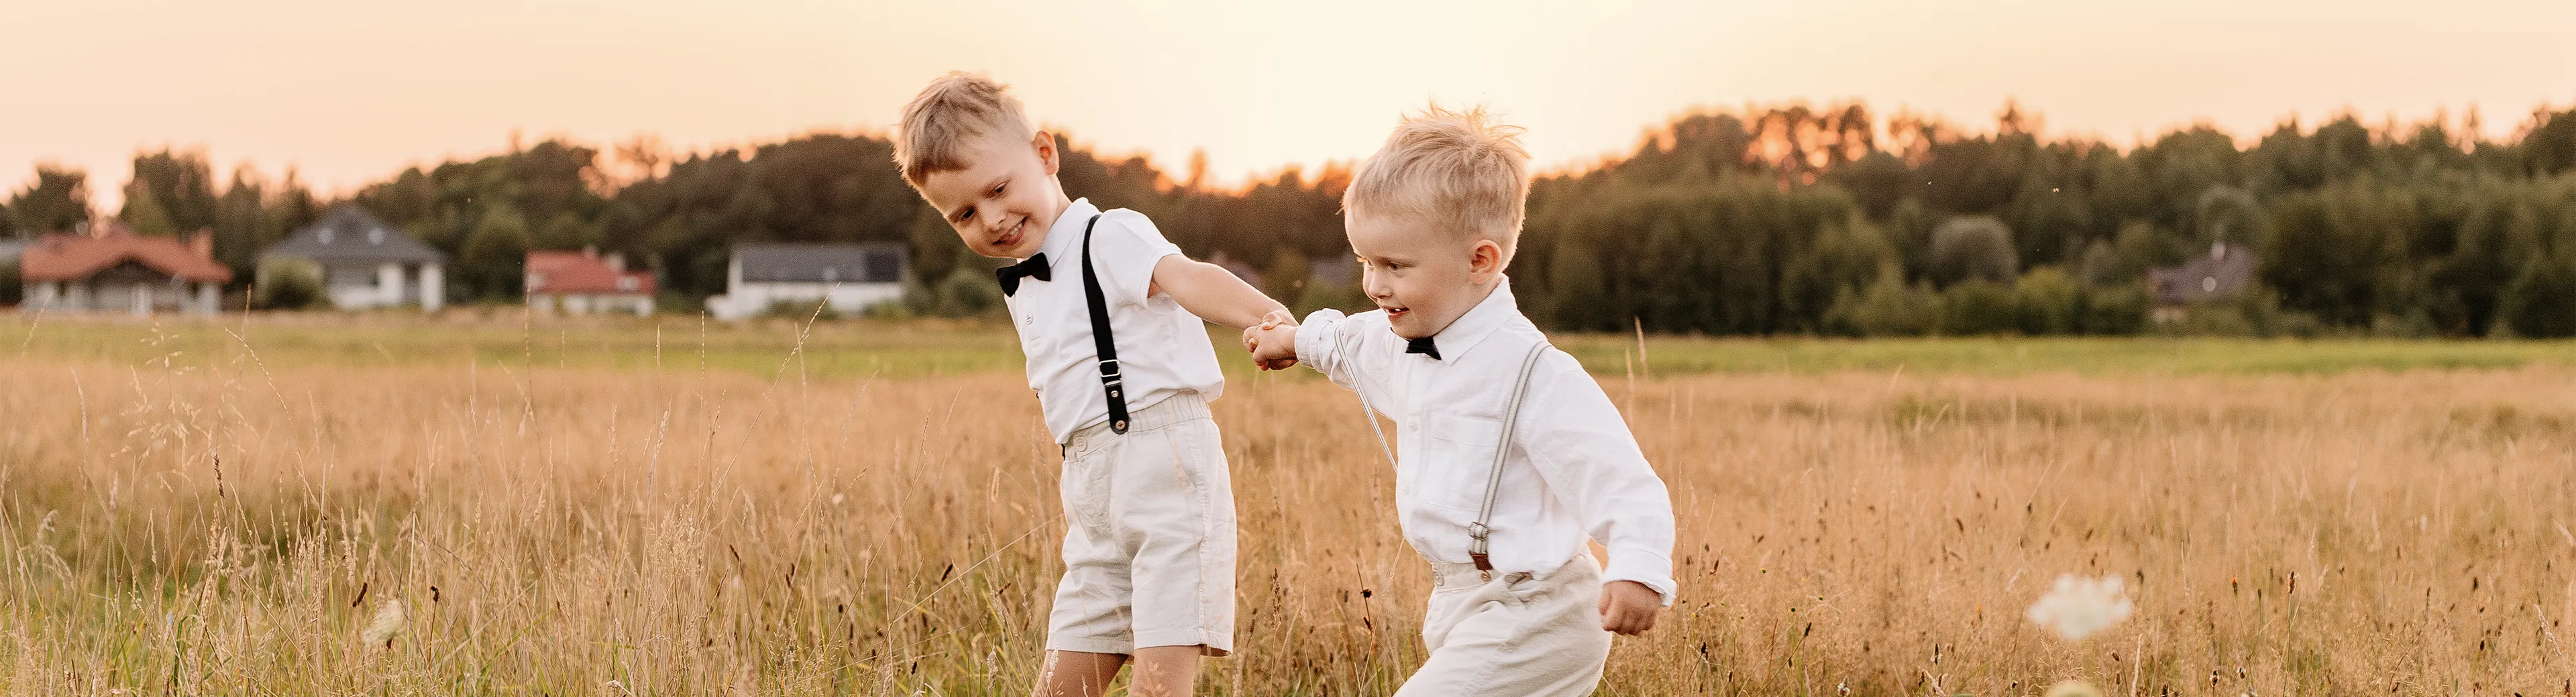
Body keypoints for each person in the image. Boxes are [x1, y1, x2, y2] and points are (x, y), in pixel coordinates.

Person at [1243, 105, 1676, 696]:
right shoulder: (1399, 337)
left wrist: (1637, 569)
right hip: (1458, 601)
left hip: (1539, 608)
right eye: (1369, 262)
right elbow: (1343, 339)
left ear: (1480, 260)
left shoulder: (1535, 374)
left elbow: (1622, 480)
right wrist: (1291, 340)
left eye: (1395, 265)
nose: (1375, 284)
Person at [894, 71, 1289, 697]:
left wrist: (1271, 317)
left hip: (1166, 471)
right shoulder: (1024, 284)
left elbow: (1187, 278)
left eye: (998, 189)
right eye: (964, 213)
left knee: (1159, 687)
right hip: (1090, 494)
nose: (992, 219)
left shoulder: (1110, 234)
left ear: (1045, 155)